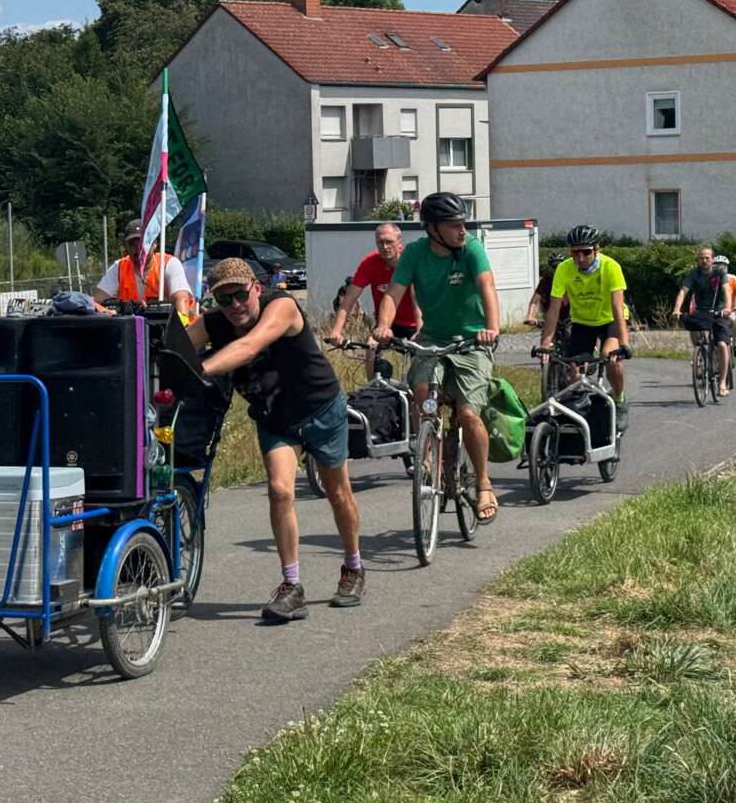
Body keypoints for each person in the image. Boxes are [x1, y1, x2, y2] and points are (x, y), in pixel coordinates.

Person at [186, 257, 364, 622]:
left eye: (240, 295)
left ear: (256, 288)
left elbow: (250, 346)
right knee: (280, 491)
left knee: (338, 493)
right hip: (275, 418)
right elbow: (176, 348)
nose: (235, 305)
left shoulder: (281, 306)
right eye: (224, 299)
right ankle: (292, 586)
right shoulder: (214, 322)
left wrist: (197, 370)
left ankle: (353, 566)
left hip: (320, 408)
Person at [372, 191, 502, 523]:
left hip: (472, 340)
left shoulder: (471, 248)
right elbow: (393, 294)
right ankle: (428, 450)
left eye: (463, 223)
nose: (462, 230)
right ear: (433, 229)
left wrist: (491, 328)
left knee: (469, 414)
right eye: (454, 225)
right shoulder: (415, 254)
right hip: (432, 339)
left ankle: (484, 484)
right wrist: (383, 326)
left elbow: (487, 286)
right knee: (421, 390)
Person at [537, 225, 633, 434]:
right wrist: (545, 344)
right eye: (575, 253)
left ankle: (619, 399)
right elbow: (553, 310)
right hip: (583, 322)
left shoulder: (611, 267)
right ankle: (584, 411)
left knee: (610, 357)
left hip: (610, 320)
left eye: (586, 252)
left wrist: (624, 344)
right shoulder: (564, 269)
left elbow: (617, 307)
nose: (580, 257)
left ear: (597, 249)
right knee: (574, 371)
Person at [325, 222, 421, 381]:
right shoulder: (370, 263)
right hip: (386, 325)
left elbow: (417, 299)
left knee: (421, 373)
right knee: (371, 349)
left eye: (389, 241)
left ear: (399, 242)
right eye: (380, 242)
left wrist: (420, 330)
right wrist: (336, 331)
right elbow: (349, 299)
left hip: (414, 324)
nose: (385, 246)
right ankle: (375, 388)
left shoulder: (410, 261)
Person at [93, 218, 196, 320]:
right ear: (126, 247)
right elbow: (95, 302)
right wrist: (113, 312)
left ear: (154, 244)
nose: (138, 249)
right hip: (138, 327)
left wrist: (182, 326)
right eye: (132, 244)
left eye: (143, 243)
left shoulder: (169, 264)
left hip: (178, 326)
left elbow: (182, 300)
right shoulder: (119, 267)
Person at [672, 245, 736, 398]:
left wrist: (727, 308)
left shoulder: (719, 273)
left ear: (712, 260)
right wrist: (676, 309)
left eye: (707, 258)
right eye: (701, 258)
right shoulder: (693, 274)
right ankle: (699, 351)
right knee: (690, 322)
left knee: (722, 345)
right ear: (697, 260)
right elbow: (683, 292)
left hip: (719, 311)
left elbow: (727, 290)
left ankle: (722, 383)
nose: (704, 260)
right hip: (701, 311)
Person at [715, 253, 736, 355]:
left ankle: (734, 345)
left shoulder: (732, 278)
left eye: (722, 266)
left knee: (735, 322)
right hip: (714, 309)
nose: (720, 268)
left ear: (726, 267)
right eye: (717, 265)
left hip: (731, 309)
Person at [524, 253, 568, 328]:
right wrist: (530, 316)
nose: (557, 269)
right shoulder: (546, 281)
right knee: (547, 334)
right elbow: (534, 301)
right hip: (549, 317)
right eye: (554, 266)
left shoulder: (569, 280)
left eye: (560, 266)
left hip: (567, 318)